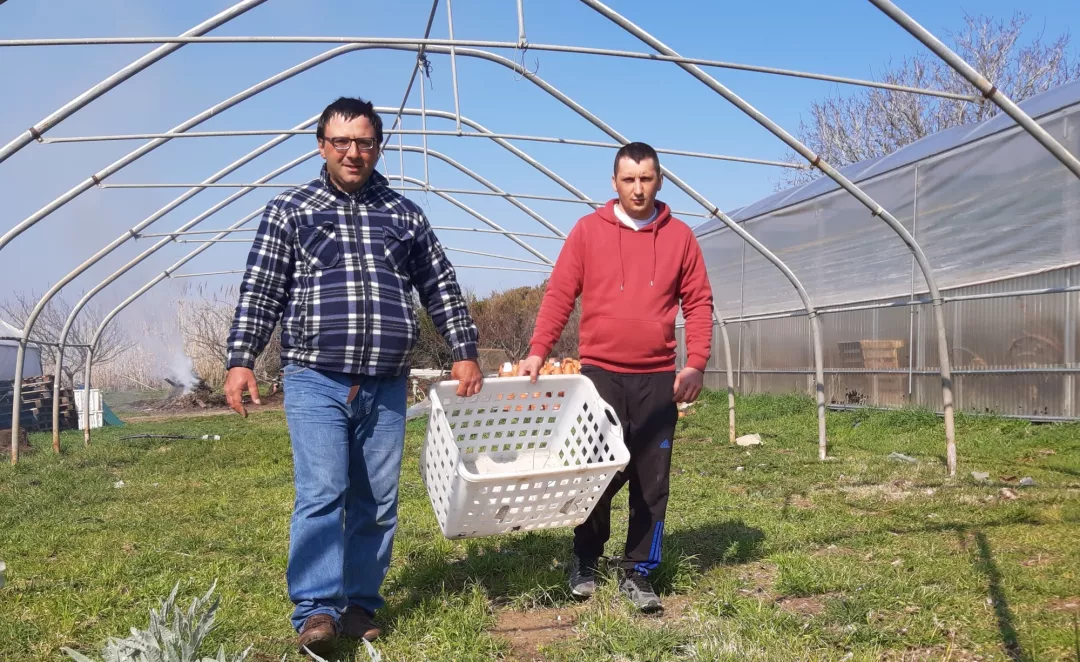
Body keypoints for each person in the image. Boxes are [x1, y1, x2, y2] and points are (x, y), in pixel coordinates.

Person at [223, 97, 484, 654]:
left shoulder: (404, 213)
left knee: (377, 501)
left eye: (364, 142)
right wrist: (241, 357)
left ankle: (361, 603)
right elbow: (262, 289)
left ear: (378, 147)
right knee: (322, 492)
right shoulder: (291, 210)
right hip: (316, 377)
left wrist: (463, 348)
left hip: (386, 384)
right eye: (341, 141)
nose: (352, 152)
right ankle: (316, 610)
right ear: (321, 144)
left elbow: (439, 284)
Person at [519, 142, 714, 612]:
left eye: (646, 178)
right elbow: (560, 294)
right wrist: (538, 352)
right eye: (629, 179)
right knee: (595, 473)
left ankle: (638, 570)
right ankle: (585, 558)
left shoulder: (680, 237)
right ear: (614, 183)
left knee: (652, 479)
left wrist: (696, 363)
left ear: (660, 180)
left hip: (657, 377)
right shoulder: (588, 232)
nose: (638, 188)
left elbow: (700, 302)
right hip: (599, 376)